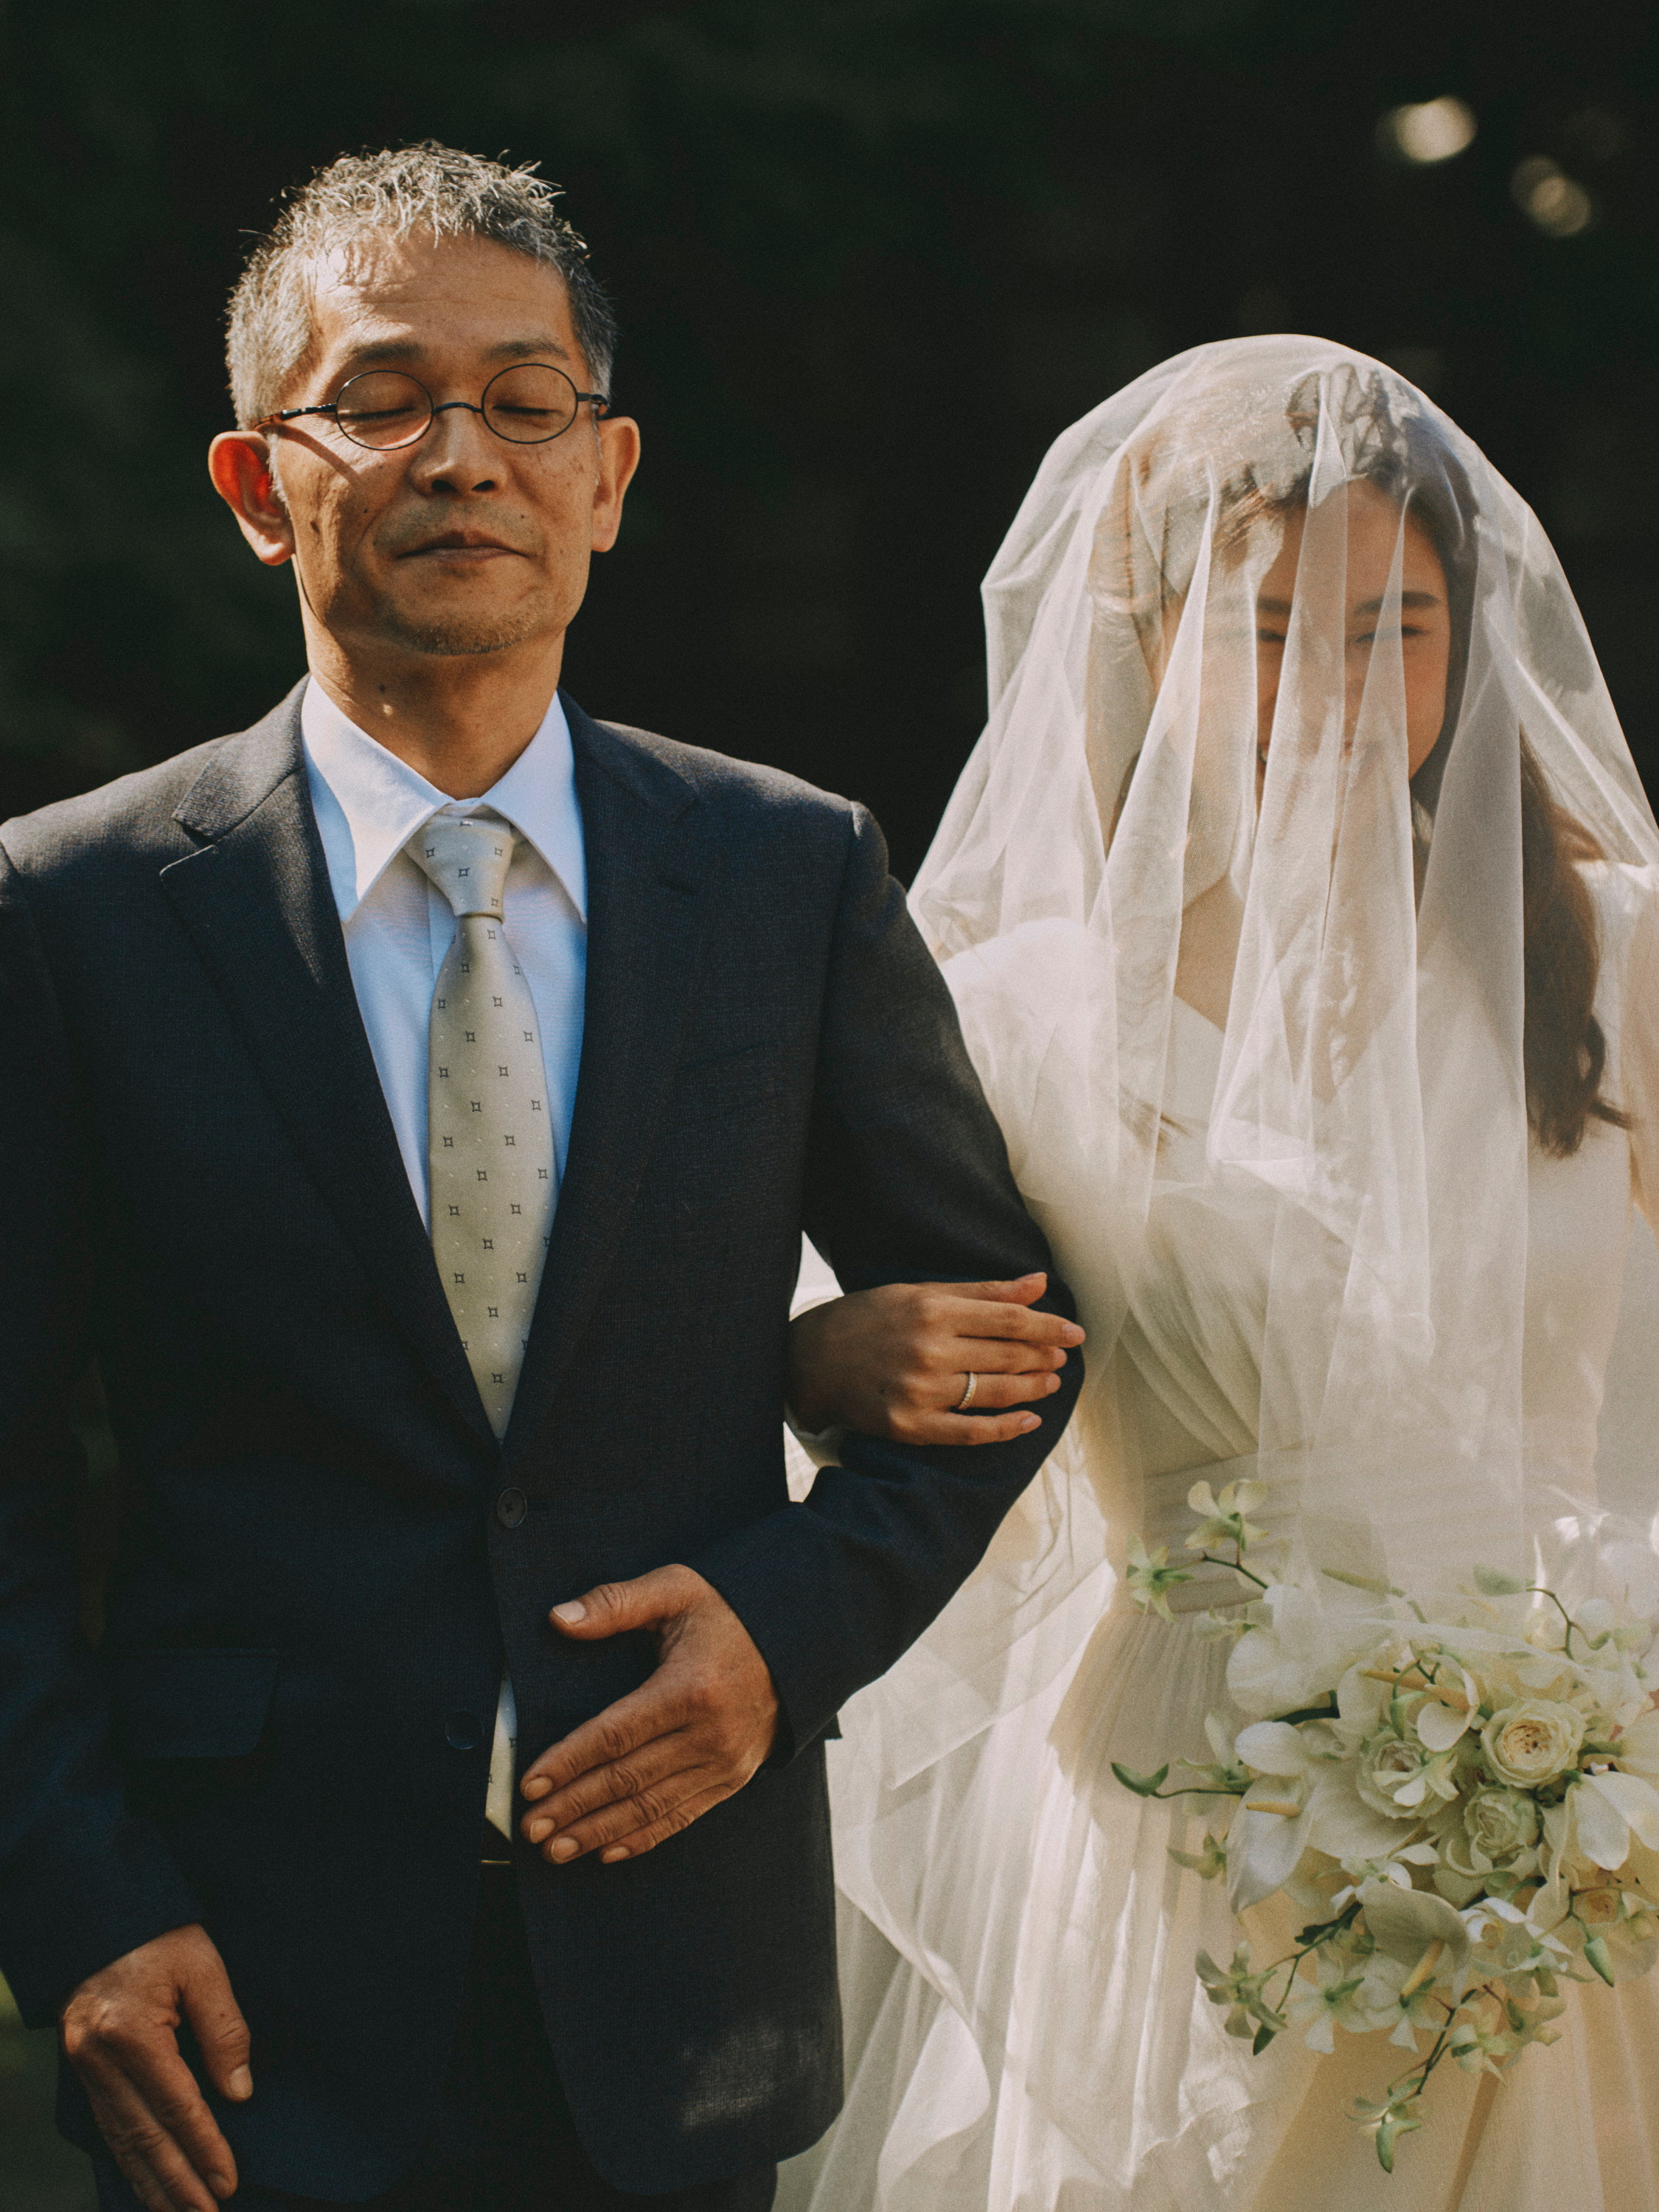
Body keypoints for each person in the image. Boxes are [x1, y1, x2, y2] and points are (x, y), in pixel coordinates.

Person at [0, 144, 1086, 2212]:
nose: (464, 457)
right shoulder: (71, 911)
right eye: (387, 398)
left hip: (684, 1974)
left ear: (610, 473)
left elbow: (1015, 1343)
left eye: (527, 402)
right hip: (239, 1985)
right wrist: (70, 1903)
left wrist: (788, 1625)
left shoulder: (787, 870)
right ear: (256, 485)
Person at [773, 336, 1659, 2209]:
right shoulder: (1015, 1015)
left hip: (1580, 1795)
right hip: (1184, 1806)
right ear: (1147, 628)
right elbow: (857, 1359)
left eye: (1392, 632)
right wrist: (825, 1356)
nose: (1334, 696)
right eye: (1269, 629)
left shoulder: (1608, 961)